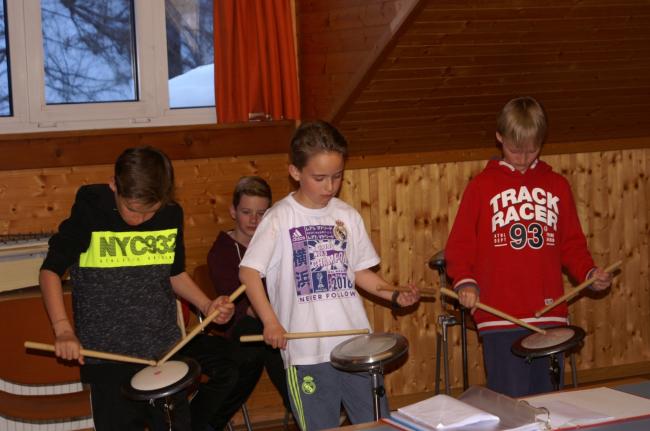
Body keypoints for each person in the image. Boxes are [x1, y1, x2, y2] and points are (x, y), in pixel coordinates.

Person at [239, 121, 421, 431]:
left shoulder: (346, 215)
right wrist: (270, 321)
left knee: (377, 425)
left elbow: (359, 271)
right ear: (295, 172)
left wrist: (393, 293)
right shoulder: (279, 217)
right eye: (319, 178)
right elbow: (248, 272)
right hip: (307, 354)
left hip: (356, 348)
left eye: (337, 176)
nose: (330, 187)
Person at [39, 146, 235, 431]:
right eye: (132, 209)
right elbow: (50, 271)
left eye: (150, 211)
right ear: (114, 185)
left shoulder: (169, 214)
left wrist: (206, 305)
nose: (140, 220)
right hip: (107, 359)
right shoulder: (91, 209)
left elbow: (173, 273)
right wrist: (63, 330)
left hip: (163, 353)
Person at [445, 96, 613, 397]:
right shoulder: (481, 187)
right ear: (499, 137)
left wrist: (589, 273)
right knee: (513, 404)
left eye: (532, 150)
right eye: (515, 150)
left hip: (549, 316)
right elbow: (459, 247)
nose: (523, 159)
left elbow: (572, 245)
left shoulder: (557, 186)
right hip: (500, 316)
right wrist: (465, 282)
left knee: (551, 404)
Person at [205, 176, 292, 424]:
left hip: (277, 317)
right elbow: (244, 307)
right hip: (242, 324)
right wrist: (274, 319)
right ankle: (301, 408)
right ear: (233, 211)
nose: (254, 220)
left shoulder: (276, 242)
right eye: (246, 212)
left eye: (261, 213)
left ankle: (312, 408)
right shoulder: (221, 252)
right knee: (268, 342)